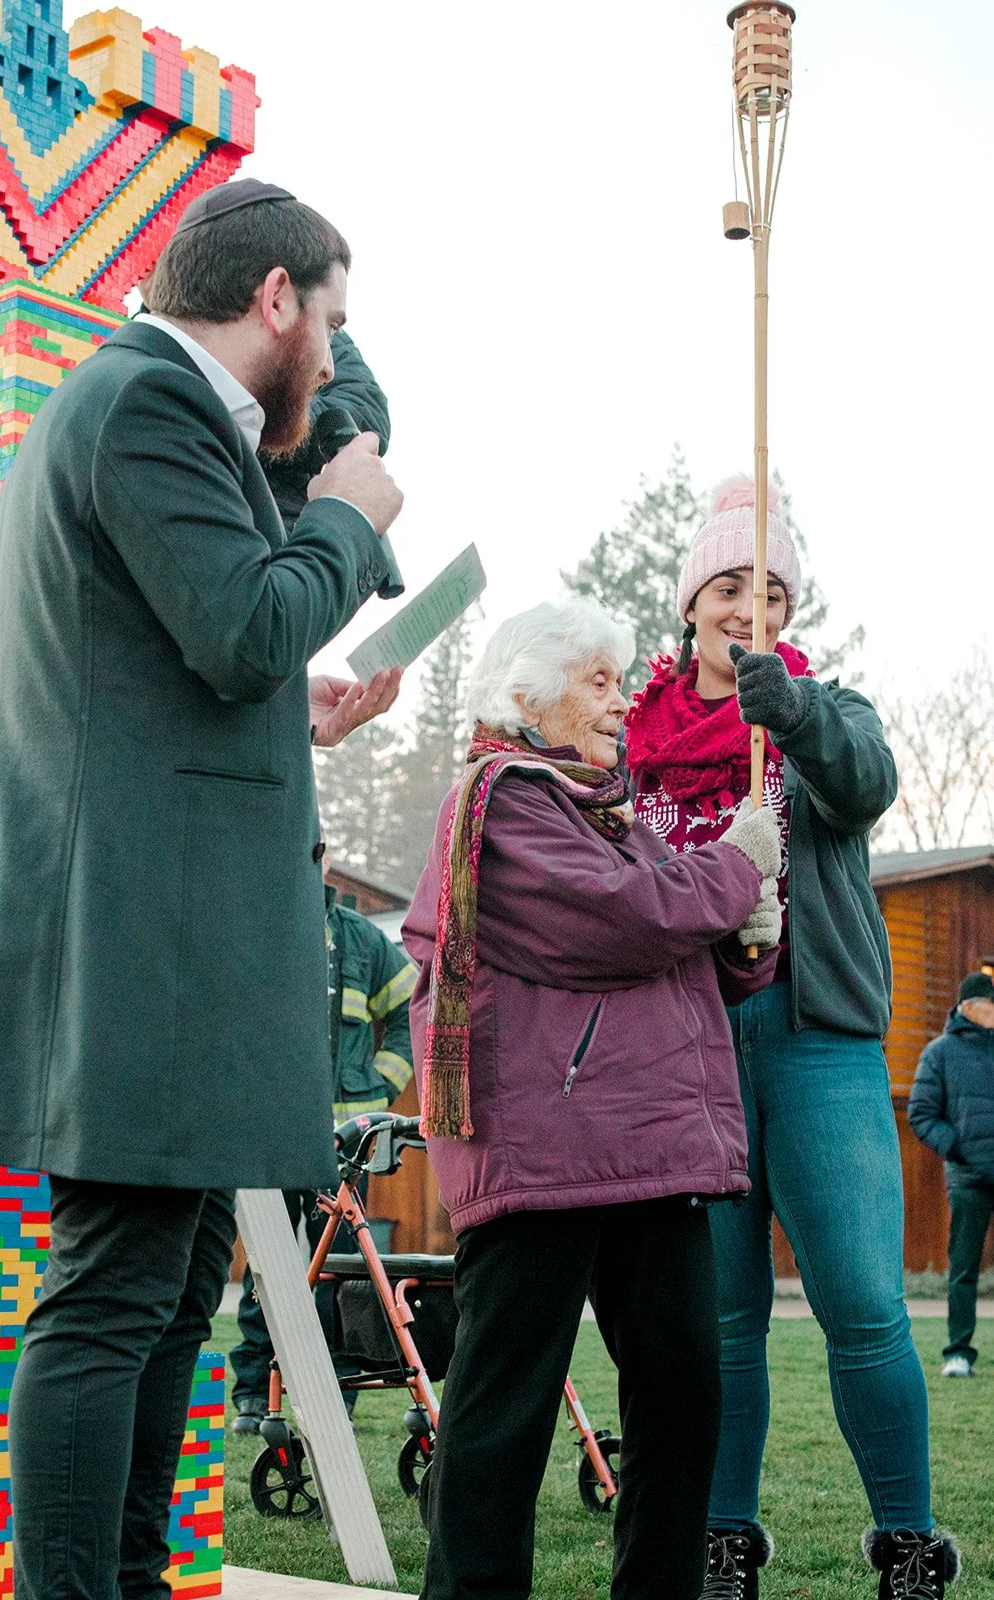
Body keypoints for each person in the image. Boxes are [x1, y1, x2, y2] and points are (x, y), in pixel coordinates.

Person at [0, 177, 405, 1600]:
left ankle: (130, 1578)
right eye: (325, 318)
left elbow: (200, 659)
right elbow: (245, 618)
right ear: (272, 302)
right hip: (140, 940)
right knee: (110, 1299)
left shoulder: (166, 407)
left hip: (180, 933)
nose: (330, 350)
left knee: (176, 1295)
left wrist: (298, 709)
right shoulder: (141, 401)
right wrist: (344, 512)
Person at [402, 599, 783, 1600]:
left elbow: (685, 953)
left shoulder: (605, 813)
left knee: (683, 1396)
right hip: (543, 1150)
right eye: (598, 682)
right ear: (526, 695)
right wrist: (734, 864)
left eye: (620, 681)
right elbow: (622, 921)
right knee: (502, 1413)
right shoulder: (503, 801)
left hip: (644, 1143)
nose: (621, 704)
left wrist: (750, 931)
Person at [623, 478, 958, 1599]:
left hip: (817, 1043)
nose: (746, 610)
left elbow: (864, 786)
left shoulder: (829, 709)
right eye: (726, 586)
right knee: (722, 1319)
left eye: (768, 592)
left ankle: (904, 1541)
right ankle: (722, 1542)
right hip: (693, 1051)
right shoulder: (630, 734)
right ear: (689, 604)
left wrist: (794, 716)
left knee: (863, 1302)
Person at [230, 858, 417, 1429]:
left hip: (342, 1145)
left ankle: (338, 1388)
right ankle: (253, 1392)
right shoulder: (259, 923)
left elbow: (413, 1007)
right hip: (271, 1128)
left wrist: (382, 1086)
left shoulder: (362, 939)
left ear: (325, 857)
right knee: (270, 1261)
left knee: (339, 1268)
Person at [908, 968, 994, 1378]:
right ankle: (957, 1353)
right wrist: (957, 1146)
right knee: (964, 1270)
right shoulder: (939, 1052)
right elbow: (920, 1114)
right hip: (969, 1181)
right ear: (969, 1009)